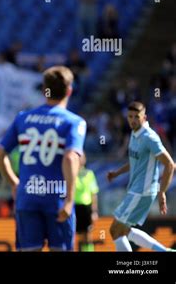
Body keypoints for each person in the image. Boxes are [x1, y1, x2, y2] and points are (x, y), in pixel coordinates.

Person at [0, 66, 87, 251]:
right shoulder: (73, 122)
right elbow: (69, 158)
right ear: (69, 90)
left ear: (45, 90)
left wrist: (14, 183)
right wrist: (69, 199)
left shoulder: (23, 118)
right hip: (57, 200)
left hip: (27, 198)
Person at [107, 101, 175, 252]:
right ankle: (164, 251)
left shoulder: (149, 137)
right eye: (130, 116)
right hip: (135, 189)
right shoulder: (134, 133)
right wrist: (117, 173)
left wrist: (162, 191)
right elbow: (135, 161)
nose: (132, 120)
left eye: (136, 117)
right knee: (123, 230)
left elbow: (170, 165)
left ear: (144, 117)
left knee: (115, 230)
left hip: (142, 191)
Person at [74, 153, 99, 251]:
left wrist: (94, 211)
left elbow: (94, 193)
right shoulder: (70, 172)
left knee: (87, 235)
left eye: (81, 157)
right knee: (73, 234)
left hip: (86, 208)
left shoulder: (89, 174)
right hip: (73, 207)